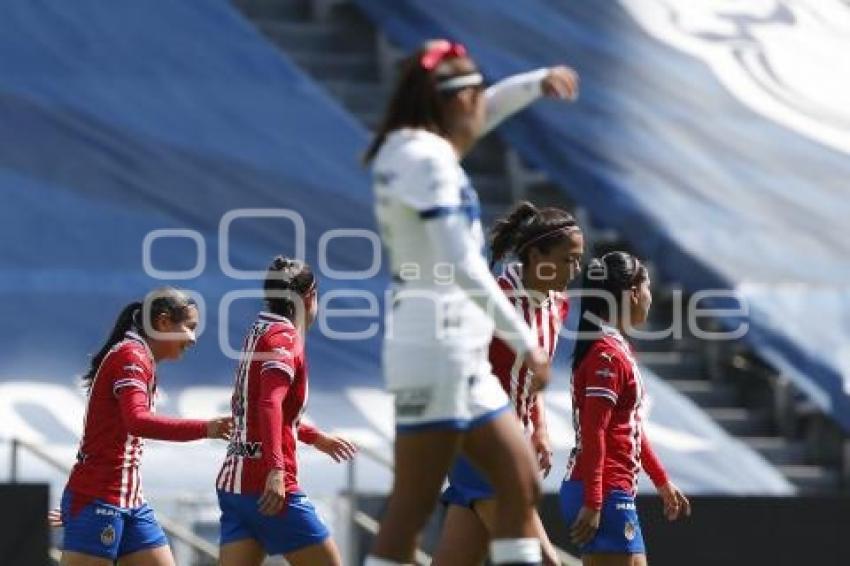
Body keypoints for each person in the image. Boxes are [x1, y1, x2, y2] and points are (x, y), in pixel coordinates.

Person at [365, 39, 580, 566]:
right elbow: (461, 265)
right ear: (457, 100)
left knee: (516, 480)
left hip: (448, 349)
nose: (485, 106)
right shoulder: (427, 160)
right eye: (479, 95)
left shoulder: (417, 146)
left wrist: (536, 81)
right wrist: (524, 339)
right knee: (413, 509)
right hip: (436, 347)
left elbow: (492, 110)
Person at [433, 202, 584, 566]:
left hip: (509, 440)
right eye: (568, 259)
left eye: (579, 260)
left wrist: (539, 429)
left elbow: (533, 373)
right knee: (545, 561)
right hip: (479, 442)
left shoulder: (556, 304)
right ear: (536, 255)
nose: (575, 270)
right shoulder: (494, 302)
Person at [59, 287, 233, 566]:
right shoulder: (131, 356)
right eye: (189, 328)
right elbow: (138, 421)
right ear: (163, 323)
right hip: (98, 498)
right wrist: (206, 428)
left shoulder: (140, 357)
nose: (193, 339)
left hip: (130, 500)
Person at [216, 256, 357, 566]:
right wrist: (276, 470)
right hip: (267, 487)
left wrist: (313, 436)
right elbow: (269, 404)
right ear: (309, 297)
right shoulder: (285, 337)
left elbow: (259, 405)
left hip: (235, 484)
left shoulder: (260, 328)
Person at [560, 252, 691, 566]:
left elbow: (629, 426)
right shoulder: (607, 355)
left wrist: (661, 481)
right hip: (605, 492)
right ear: (633, 292)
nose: (649, 297)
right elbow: (595, 432)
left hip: (606, 490)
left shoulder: (612, 348)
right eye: (647, 287)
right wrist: (594, 501)